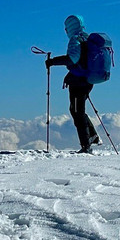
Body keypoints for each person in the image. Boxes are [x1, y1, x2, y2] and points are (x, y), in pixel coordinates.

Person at [46, 14, 101, 153]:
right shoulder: (87, 38)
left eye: (66, 28)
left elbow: (72, 59)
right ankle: (92, 136)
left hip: (79, 82)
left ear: (70, 27)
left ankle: (86, 145)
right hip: (88, 80)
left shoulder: (75, 40)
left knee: (77, 111)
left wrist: (52, 61)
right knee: (76, 110)